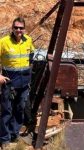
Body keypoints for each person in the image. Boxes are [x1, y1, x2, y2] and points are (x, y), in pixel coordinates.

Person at [0, 17, 35, 149]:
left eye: (21, 28)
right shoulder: (3, 42)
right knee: (7, 110)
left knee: (20, 109)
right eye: (16, 28)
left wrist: (29, 69)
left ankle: (14, 134)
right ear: (12, 28)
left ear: (24, 29)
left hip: (24, 83)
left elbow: (31, 53)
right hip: (9, 82)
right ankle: (4, 139)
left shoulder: (28, 41)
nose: (18, 30)